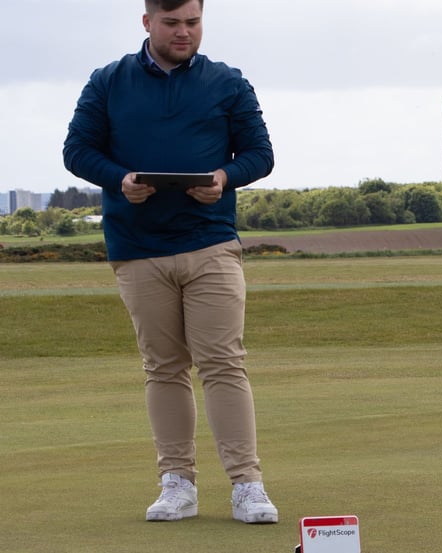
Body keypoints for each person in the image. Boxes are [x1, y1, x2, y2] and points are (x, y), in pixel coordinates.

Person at [63, 0, 278, 524]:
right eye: (173, 23)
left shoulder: (228, 81)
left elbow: (260, 153)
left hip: (211, 242)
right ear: (147, 23)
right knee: (163, 368)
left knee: (224, 362)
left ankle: (247, 485)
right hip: (137, 248)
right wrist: (120, 179)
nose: (184, 33)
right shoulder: (107, 81)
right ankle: (177, 483)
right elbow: (77, 150)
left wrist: (225, 178)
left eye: (193, 22)